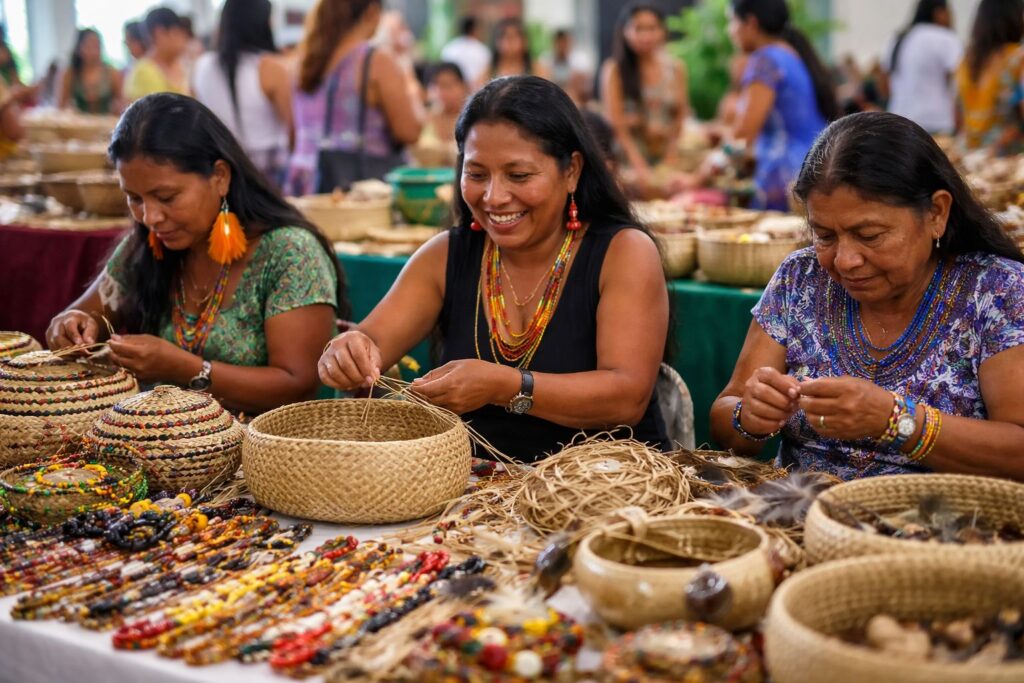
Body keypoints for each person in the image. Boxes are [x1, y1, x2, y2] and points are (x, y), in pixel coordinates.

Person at [319, 76, 670, 463]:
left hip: (612, 493)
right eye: (477, 174)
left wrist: (504, 386)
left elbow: (626, 398)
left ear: (572, 170)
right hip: (478, 500)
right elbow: (370, 343)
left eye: (518, 176)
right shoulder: (445, 255)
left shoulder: (623, 252)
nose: (494, 197)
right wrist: (347, 354)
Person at [711, 112, 1024, 481]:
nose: (845, 261)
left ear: (936, 213)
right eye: (825, 236)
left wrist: (896, 421)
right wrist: (749, 416)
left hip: (940, 528)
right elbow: (726, 416)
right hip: (798, 517)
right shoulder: (801, 278)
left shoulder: (997, 290)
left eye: (870, 235)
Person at [46, 94, 346, 415]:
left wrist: (187, 369)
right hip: (161, 445)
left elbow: (298, 384)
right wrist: (71, 326)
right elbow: (86, 317)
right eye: (134, 198)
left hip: (265, 452)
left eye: (166, 197)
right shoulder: (150, 244)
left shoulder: (290, 253)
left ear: (220, 177)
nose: (150, 217)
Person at [284, 0, 421, 197]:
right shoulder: (375, 60)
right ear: (372, 11)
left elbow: (293, 135)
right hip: (355, 190)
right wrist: (411, 87)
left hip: (304, 186)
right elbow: (409, 132)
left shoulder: (302, 61)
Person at [727, 0, 837, 211]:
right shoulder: (790, 54)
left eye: (731, 22)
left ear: (750, 23)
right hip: (814, 168)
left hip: (786, 178)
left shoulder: (765, 61)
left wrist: (698, 177)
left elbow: (741, 137)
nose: (729, 31)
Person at [192, 0, 291, 188]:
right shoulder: (269, 67)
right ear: (261, 22)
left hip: (219, 175)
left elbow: (198, 120)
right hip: (268, 178)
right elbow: (293, 129)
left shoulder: (201, 66)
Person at [601, 4, 689, 193]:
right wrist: (639, 165)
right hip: (629, 160)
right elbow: (617, 125)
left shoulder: (675, 69)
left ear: (663, 31)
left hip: (667, 157)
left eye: (652, 28)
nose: (645, 36)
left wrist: (671, 156)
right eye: (638, 28)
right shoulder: (615, 71)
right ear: (625, 31)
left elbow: (680, 115)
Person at [956, 0, 1024, 156]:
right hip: (1006, 159)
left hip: (968, 154)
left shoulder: (964, 62)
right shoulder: (1017, 59)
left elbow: (957, 115)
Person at [882, 0, 960, 135]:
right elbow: (961, 80)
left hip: (898, 121)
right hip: (936, 122)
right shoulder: (945, 38)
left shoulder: (897, 38)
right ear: (938, 13)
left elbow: (884, 81)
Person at [125, 7, 190, 100]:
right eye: (177, 32)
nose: (183, 39)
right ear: (160, 33)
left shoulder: (182, 63)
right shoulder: (144, 71)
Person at [59, 28, 124, 115]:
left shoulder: (112, 73)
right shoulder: (70, 73)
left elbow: (122, 104)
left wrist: (117, 108)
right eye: (88, 46)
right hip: (77, 125)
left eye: (96, 46)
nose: (93, 51)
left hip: (106, 125)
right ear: (79, 48)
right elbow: (60, 106)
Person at [479, 18, 549, 91]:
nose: (510, 40)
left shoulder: (538, 69)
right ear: (497, 42)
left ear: (525, 41)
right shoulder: (488, 72)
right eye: (504, 35)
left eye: (515, 35)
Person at [541, 29, 592, 105]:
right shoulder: (545, 61)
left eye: (566, 43)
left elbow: (586, 89)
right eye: (561, 43)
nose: (563, 47)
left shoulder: (580, 61)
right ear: (555, 43)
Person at [440, 16, 491, 90]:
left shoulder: (448, 48)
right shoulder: (482, 50)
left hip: (452, 90)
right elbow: (484, 76)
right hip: (475, 91)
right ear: (475, 30)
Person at [423, 62, 468, 144]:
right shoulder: (428, 117)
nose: (443, 93)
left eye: (448, 86)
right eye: (438, 86)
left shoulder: (471, 119)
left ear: (463, 86)